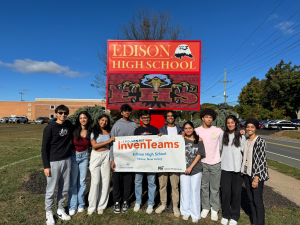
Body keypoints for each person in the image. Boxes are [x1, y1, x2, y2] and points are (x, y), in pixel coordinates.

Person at [41, 105, 74, 225]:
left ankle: (60, 209)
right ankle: (48, 212)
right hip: (53, 161)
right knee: (51, 189)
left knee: (64, 188)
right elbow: (44, 148)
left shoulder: (69, 125)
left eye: (65, 113)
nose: (63, 115)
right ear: (56, 114)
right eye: (60, 113)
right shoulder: (50, 128)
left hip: (67, 160)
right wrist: (46, 166)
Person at [194, 108, 223, 221]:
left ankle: (214, 209)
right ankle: (205, 207)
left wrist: (240, 132)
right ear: (202, 118)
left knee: (215, 188)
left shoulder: (218, 130)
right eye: (206, 117)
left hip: (215, 163)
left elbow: (230, 136)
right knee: (204, 187)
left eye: (210, 117)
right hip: (202, 163)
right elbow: (189, 138)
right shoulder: (197, 130)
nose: (208, 119)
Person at [110, 104, 138, 213]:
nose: (127, 112)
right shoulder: (116, 125)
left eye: (129, 111)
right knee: (116, 181)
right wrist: (112, 159)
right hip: (118, 158)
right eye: (125, 111)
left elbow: (138, 140)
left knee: (128, 181)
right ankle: (117, 201)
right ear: (121, 112)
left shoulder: (134, 125)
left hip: (130, 158)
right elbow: (112, 143)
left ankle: (126, 200)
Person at [133, 110, 162, 214]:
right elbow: (133, 144)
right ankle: (138, 202)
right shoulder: (137, 130)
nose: (146, 119)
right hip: (140, 160)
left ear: (150, 118)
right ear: (141, 118)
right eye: (144, 117)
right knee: (138, 182)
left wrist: (160, 138)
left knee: (151, 182)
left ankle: (151, 203)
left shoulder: (155, 130)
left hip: (151, 160)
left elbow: (159, 144)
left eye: (148, 117)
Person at [241, 118, 269, 225]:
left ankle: (260, 223)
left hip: (256, 175)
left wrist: (256, 178)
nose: (249, 129)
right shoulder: (246, 141)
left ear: (256, 128)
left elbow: (262, 161)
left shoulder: (260, 141)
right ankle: (255, 221)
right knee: (251, 200)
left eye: (252, 127)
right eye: (248, 127)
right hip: (246, 174)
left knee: (257, 201)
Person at [219, 115, 246, 225]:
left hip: (237, 169)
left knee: (236, 193)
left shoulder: (241, 136)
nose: (230, 124)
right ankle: (225, 214)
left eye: (232, 122)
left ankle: (235, 216)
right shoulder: (222, 135)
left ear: (236, 123)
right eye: (228, 122)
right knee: (225, 193)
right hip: (225, 168)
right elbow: (219, 149)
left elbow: (244, 152)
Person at [156, 110, 182, 217]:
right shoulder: (161, 129)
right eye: (168, 116)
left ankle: (175, 206)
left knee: (175, 185)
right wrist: (158, 137)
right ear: (165, 118)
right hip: (163, 160)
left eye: (172, 116)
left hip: (175, 161)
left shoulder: (180, 130)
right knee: (162, 184)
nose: (170, 117)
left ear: (174, 117)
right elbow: (157, 144)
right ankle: (163, 204)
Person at [87, 114, 115, 215]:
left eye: (106, 121)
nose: (104, 122)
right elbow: (94, 145)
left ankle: (101, 206)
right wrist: (108, 141)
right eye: (102, 120)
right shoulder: (94, 131)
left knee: (106, 181)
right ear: (99, 120)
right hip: (95, 156)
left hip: (106, 155)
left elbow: (111, 146)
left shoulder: (109, 132)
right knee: (95, 182)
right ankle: (92, 206)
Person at [68, 111, 92, 216]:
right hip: (74, 156)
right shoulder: (74, 130)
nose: (83, 120)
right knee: (73, 183)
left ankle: (81, 204)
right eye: (81, 118)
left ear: (88, 119)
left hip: (85, 157)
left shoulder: (91, 132)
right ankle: (72, 206)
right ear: (79, 119)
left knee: (82, 182)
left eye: (85, 118)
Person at [181, 121, 206, 223]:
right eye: (186, 128)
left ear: (193, 128)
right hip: (183, 169)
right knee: (185, 191)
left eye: (190, 128)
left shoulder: (199, 139)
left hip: (195, 169)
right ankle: (185, 212)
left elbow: (199, 154)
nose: (188, 130)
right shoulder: (181, 139)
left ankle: (195, 214)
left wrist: (190, 167)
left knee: (195, 192)